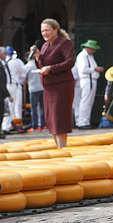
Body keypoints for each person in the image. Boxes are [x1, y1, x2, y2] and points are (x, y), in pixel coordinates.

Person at [37, 18, 75, 149]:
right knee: (50, 118)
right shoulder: (45, 45)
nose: (44, 33)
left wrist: (51, 68)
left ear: (55, 30)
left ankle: (62, 148)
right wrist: (37, 57)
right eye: (42, 31)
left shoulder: (64, 43)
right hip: (49, 86)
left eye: (47, 30)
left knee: (59, 118)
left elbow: (70, 62)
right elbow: (43, 65)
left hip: (62, 86)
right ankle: (58, 147)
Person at [76, 40, 103, 129]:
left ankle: (85, 121)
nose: (94, 51)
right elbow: (83, 69)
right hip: (87, 80)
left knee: (89, 102)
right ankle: (83, 122)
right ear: (89, 48)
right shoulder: (82, 56)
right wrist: (95, 69)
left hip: (91, 80)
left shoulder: (89, 56)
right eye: (93, 49)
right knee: (85, 101)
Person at [3, 46, 26, 133]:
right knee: (17, 105)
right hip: (15, 85)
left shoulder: (3, 62)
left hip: (7, 85)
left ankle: (8, 125)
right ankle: (17, 124)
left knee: (9, 106)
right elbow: (22, 72)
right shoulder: (16, 62)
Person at [23, 45, 45, 132]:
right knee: (42, 107)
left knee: (34, 108)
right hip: (42, 87)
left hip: (33, 89)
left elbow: (24, 79)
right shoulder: (40, 64)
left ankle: (35, 125)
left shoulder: (27, 66)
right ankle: (43, 124)